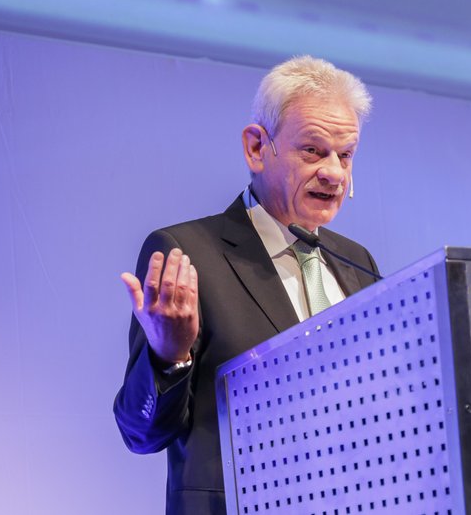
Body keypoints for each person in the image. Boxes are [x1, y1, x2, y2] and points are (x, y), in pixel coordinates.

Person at [113, 55, 380, 515]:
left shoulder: (358, 264)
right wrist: (169, 356)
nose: (334, 173)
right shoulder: (187, 253)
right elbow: (141, 434)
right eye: (313, 151)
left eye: (345, 154)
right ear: (257, 147)